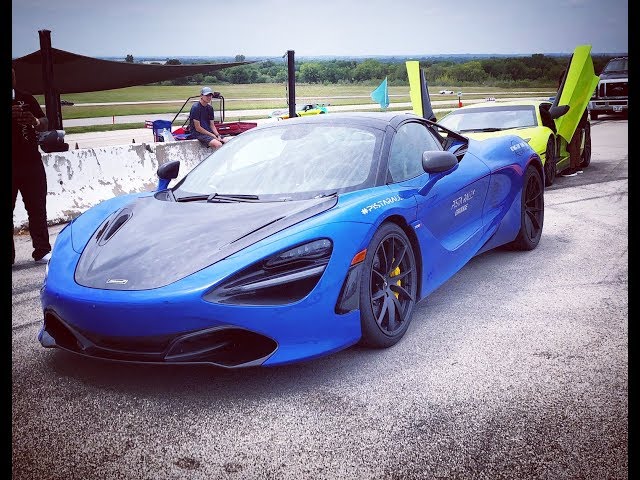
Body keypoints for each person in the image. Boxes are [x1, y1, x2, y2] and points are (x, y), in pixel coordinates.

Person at [12, 66, 52, 265]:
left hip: (30, 162)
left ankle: (42, 250)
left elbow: (45, 121)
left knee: (37, 207)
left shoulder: (26, 98)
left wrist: (34, 121)